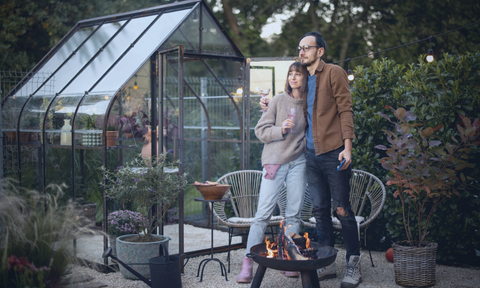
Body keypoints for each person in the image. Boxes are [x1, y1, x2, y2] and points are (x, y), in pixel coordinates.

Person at [236, 62, 308, 283]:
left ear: (306, 78)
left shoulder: (309, 102)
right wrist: (281, 130)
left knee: (294, 214)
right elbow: (261, 130)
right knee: (262, 215)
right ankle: (248, 263)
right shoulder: (277, 100)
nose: (294, 77)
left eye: (298, 74)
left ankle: (291, 259)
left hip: (299, 161)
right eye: (291, 74)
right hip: (275, 161)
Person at [299, 31, 361, 288]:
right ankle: (326, 263)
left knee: (342, 210)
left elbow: (345, 109)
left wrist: (347, 147)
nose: (301, 51)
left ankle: (353, 265)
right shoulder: (301, 79)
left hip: (334, 152)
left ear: (320, 51)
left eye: (306, 47)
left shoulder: (334, 72)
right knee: (320, 210)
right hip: (310, 155)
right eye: (299, 48)